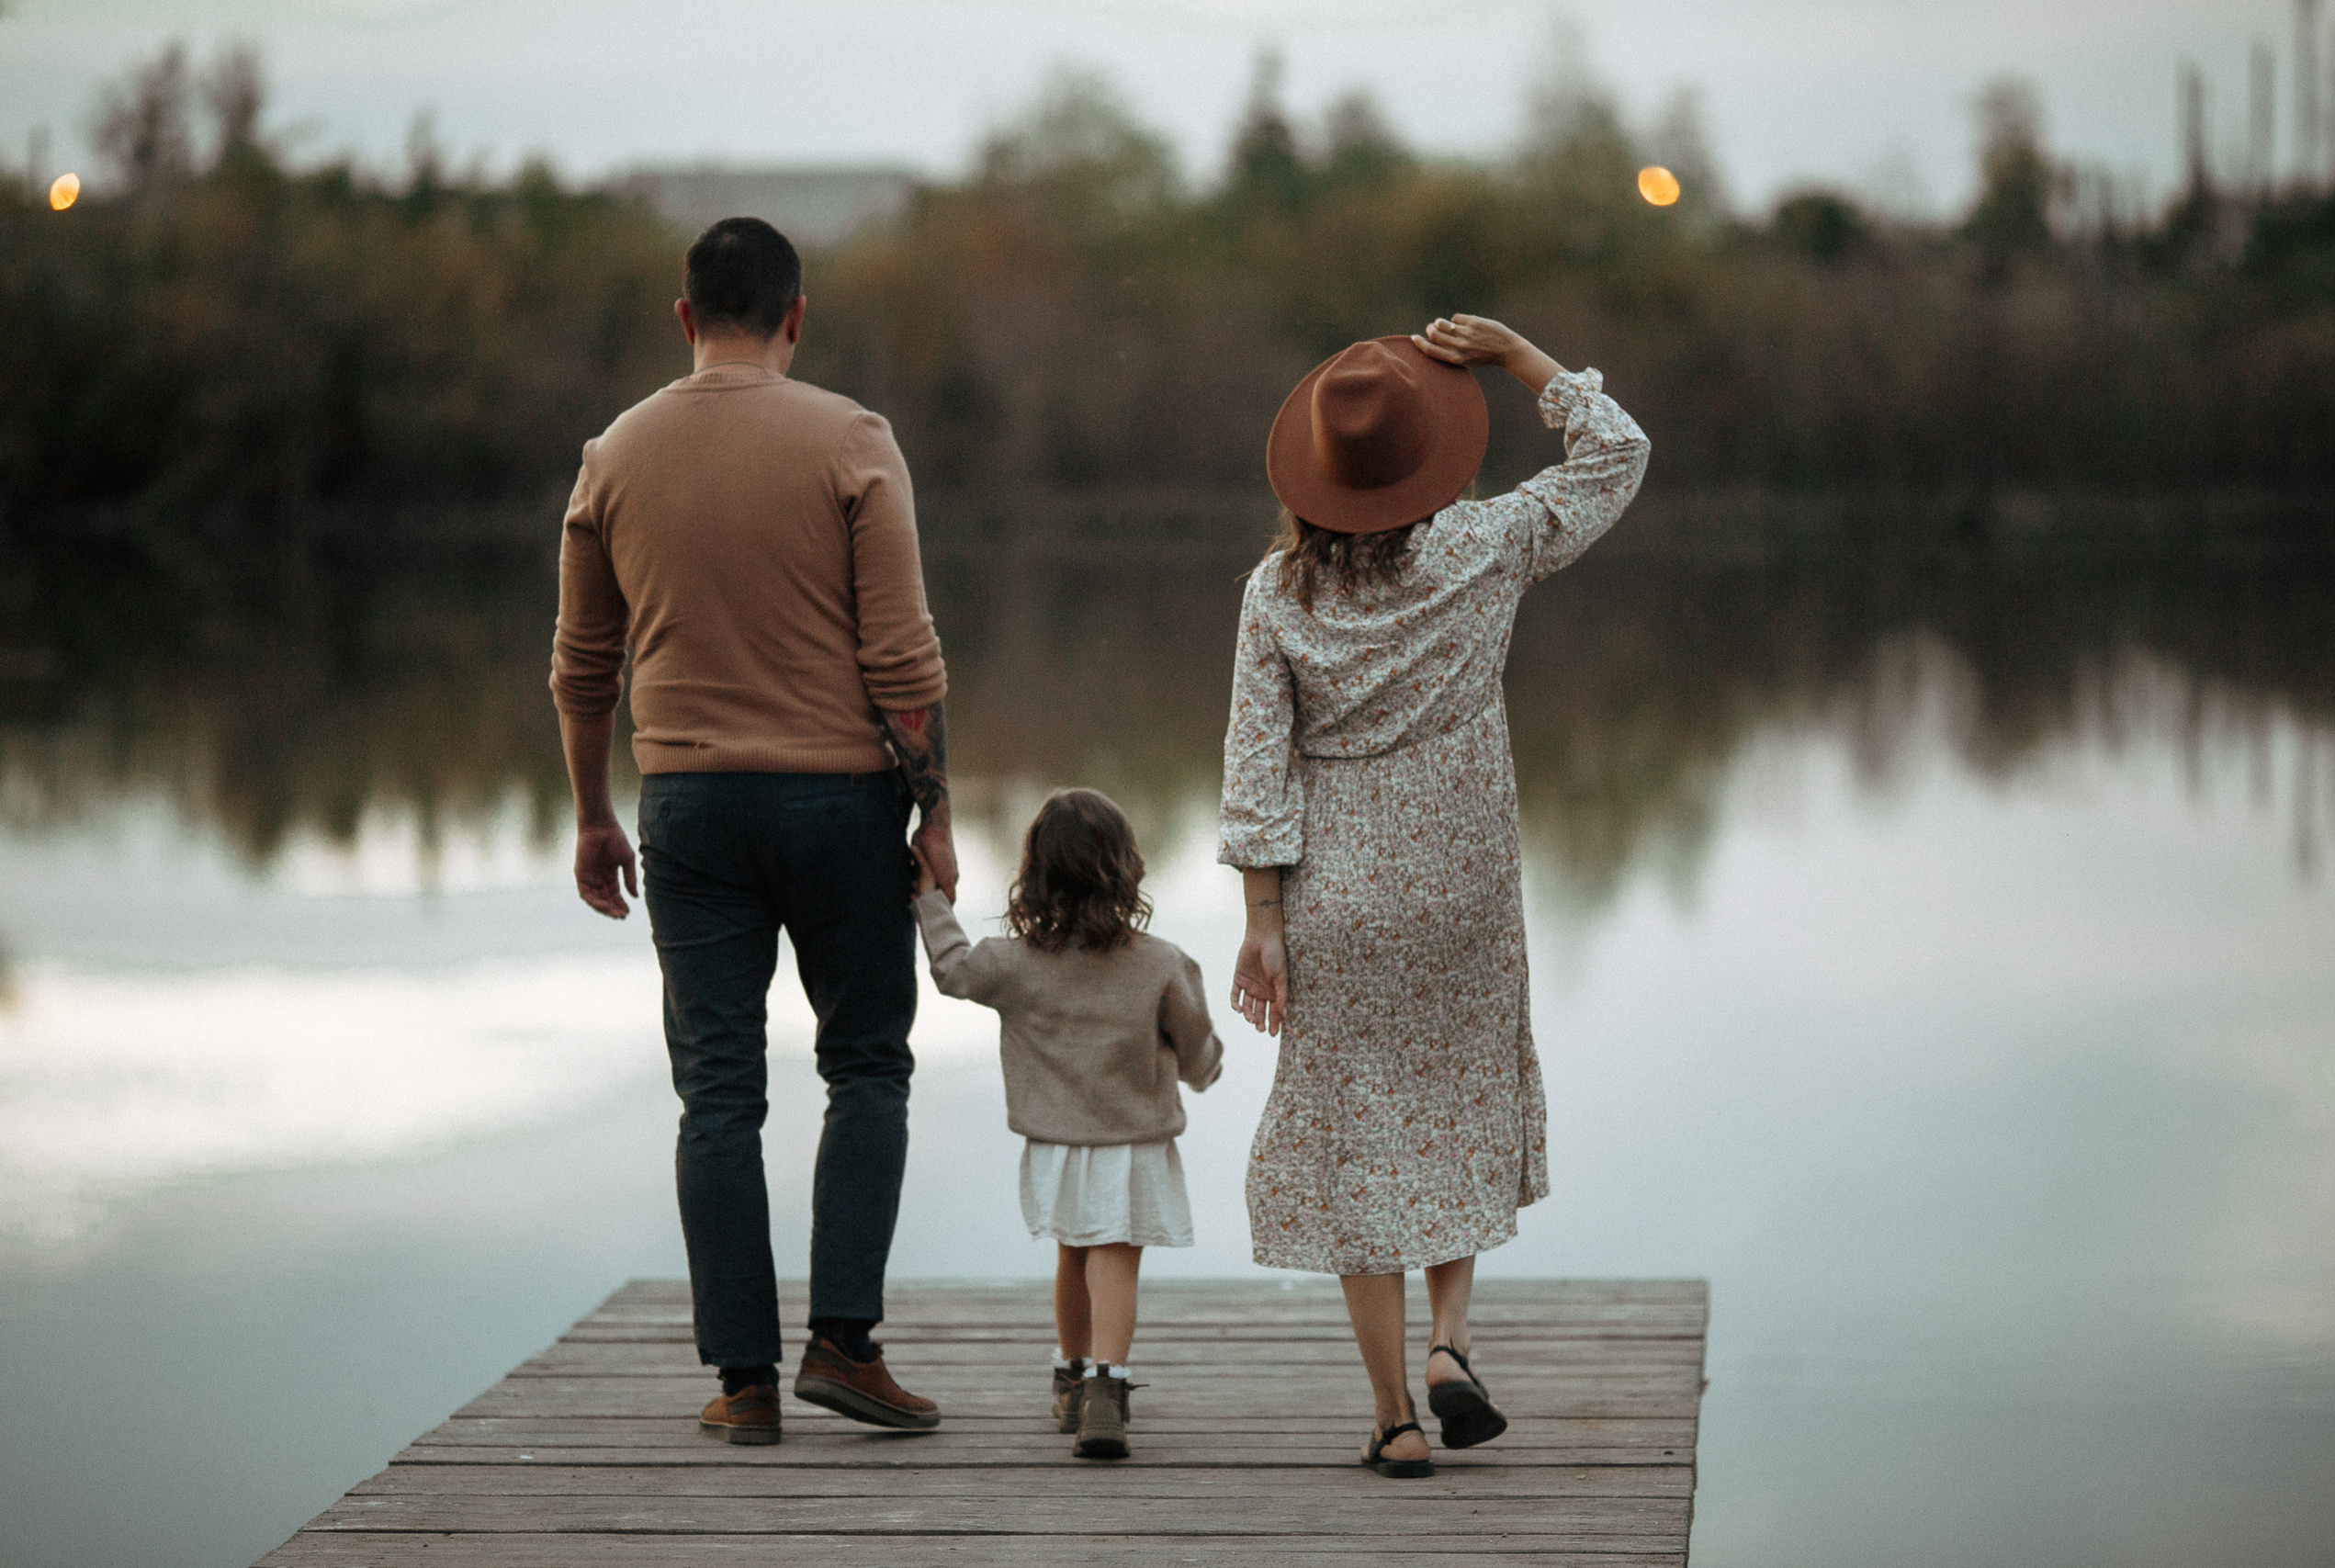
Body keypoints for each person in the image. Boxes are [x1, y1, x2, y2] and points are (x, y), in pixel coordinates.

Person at [549, 216, 958, 1447]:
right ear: (796, 316)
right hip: (839, 798)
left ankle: (743, 1381)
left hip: (685, 806)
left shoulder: (614, 452)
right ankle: (844, 1339)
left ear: (685, 319)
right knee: (867, 1065)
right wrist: (934, 806)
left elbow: (581, 665)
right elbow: (902, 654)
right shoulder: (851, 438)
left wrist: (589, 811)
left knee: (717, 1090)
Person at [1219, 314, 1650, 1478]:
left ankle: (1395, 1416)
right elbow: (1618, 455)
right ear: (1429, 458)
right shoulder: (1487, 544)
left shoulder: (1276, 592)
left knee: (1362, 1143)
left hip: (1336, 894)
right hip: (1462, 882)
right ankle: (1455, 1345)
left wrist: (1262, 922)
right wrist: (1519, 361)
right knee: (1457, 1101)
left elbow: (1256, 768)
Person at [913, 788, 1223, 1461]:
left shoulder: (1015, 962)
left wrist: (928, 898)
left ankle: (1070, 1375)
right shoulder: (1160, 960)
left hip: (1055, 1145)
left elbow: (952, 970)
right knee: (1116, 1261)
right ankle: (1106, 1390)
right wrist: (1203, 1073)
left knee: (1072, 1254)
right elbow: (1196, 1044)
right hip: (1133, 1142)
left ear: (1036, 877)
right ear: (1126, 871)